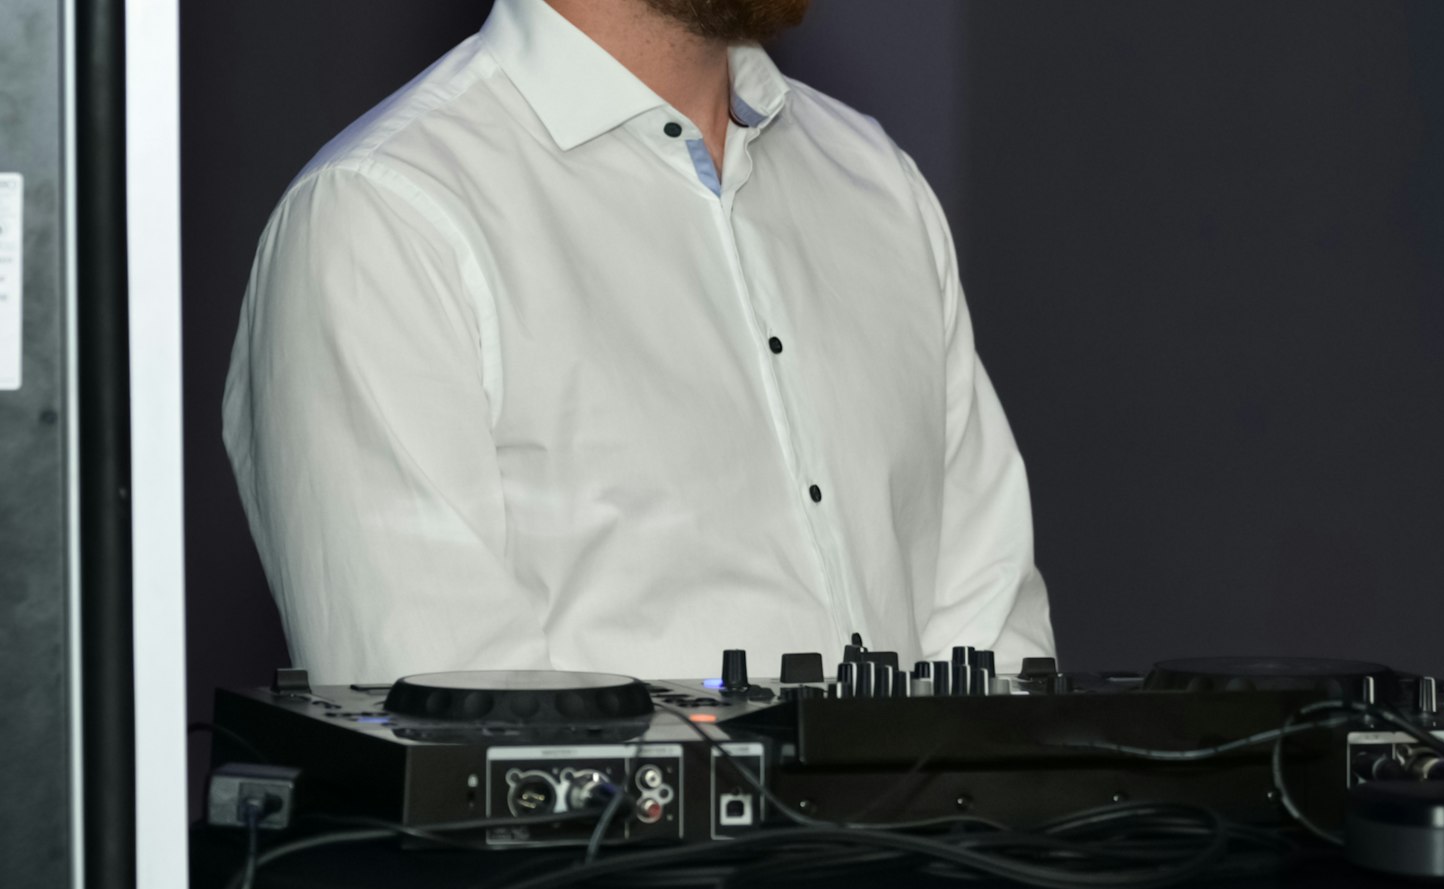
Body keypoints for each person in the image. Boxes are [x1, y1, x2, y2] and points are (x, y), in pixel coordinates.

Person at [223, 0, 1054, 685]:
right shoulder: (385, 219)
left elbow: (995, 659)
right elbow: (453, 750)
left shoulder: (876, 184)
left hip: (921, 885)